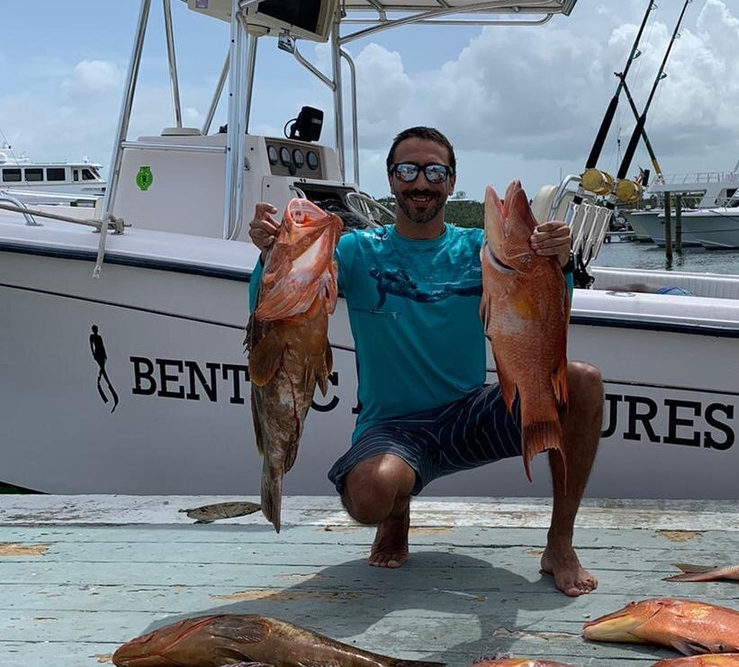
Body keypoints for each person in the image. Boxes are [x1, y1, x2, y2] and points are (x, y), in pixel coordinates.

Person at [248, 126, 605, 596]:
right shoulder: (356, 251)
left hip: (471, 415)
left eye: (434, 172)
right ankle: (395, 514)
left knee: (582, 381)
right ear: (391, 179)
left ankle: (560, 543)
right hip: (392, 427)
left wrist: (558, 263)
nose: (421, 182)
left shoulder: (481, 249)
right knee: (370, 495)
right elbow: (274, 311)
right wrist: (271, 255)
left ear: (451, 182)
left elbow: (546, 313)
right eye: (408, 170)